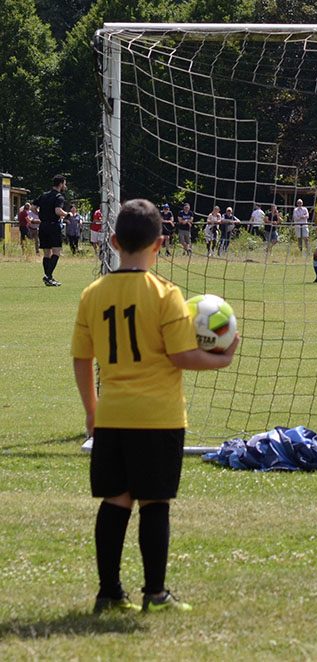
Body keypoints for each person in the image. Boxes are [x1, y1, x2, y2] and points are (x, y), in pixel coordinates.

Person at [71, 198, 239, 614]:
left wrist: (92, 412)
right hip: (158, 418)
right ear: (160, 244)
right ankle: (156, 593)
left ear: (112, 241)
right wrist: (224, 357)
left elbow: (81, 358)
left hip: (112, 417)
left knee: (115, 502)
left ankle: (109, 593)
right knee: (154, 504)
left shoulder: (93, 293)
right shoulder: (166, 294)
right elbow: (182, 356)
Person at [35, 175, 70, 286]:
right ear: (60, 184)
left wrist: (42, 215)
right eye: (64, 183)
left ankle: (49, 278)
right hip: (53, 226)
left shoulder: (44, 195)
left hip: (43, 226)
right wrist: (67, 215)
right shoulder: (59, 197)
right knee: (56, 252)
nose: (65, 186)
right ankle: (48, 276)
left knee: (46, 253)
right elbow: (58, 211)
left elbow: (32, 207)